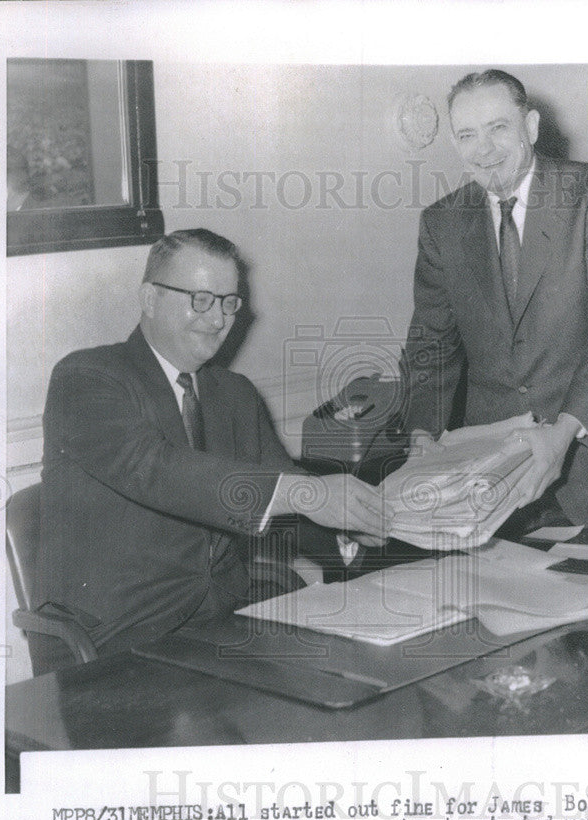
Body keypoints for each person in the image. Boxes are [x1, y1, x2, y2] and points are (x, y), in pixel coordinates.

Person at [33, 228, 391, 672]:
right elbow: (156, 469)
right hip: (120, 638)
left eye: (228, 302)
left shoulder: (235, 393)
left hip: (227, 621)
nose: (219, 319)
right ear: (149, 298)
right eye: (200, 299)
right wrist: (311, 496)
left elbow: (285, 497)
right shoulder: (86, 377)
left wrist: (358, 524)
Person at [401, 69, 588, 532]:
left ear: (531, 127)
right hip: (496, 479)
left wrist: (563, 432)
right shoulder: (441, 223)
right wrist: (422, 434)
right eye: (467, 135)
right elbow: (432, 343)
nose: (483, 149)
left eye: (498, 128)